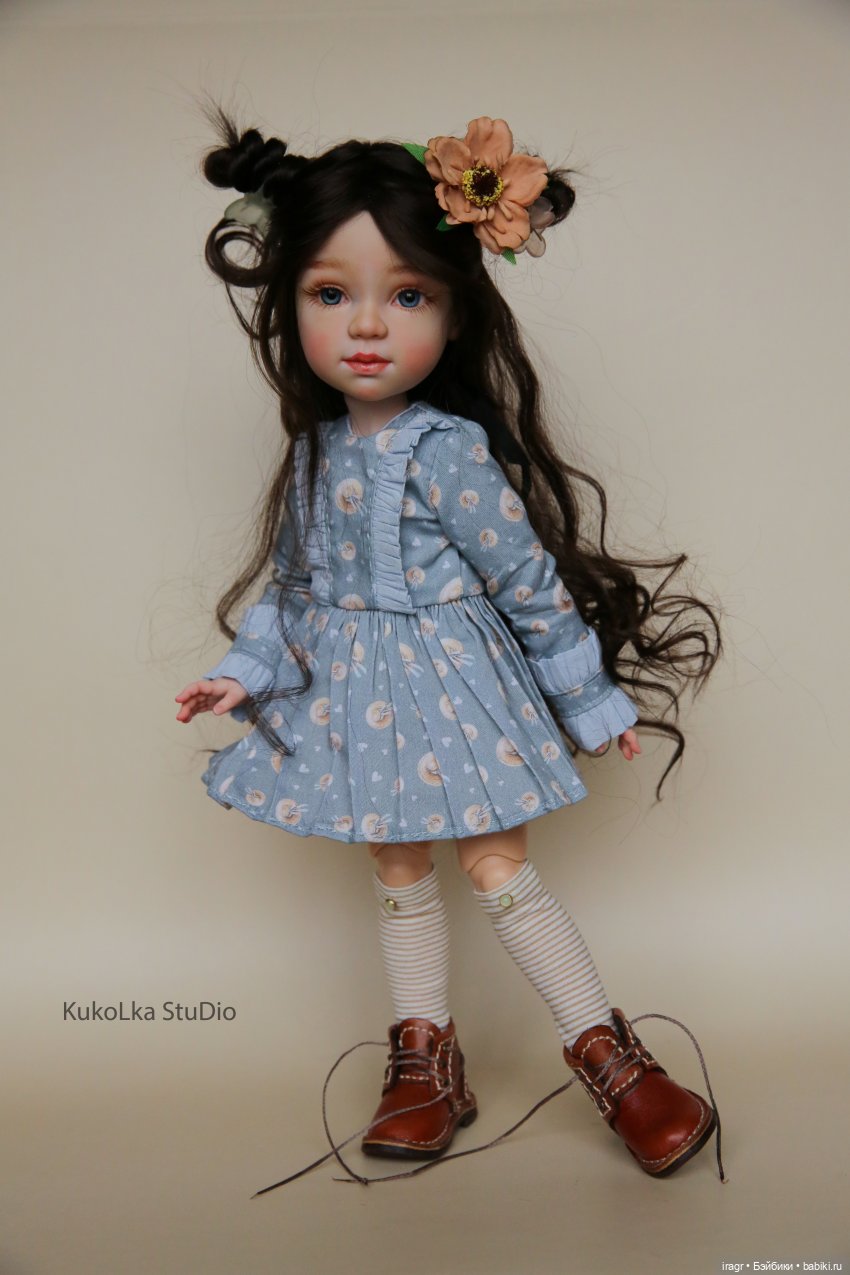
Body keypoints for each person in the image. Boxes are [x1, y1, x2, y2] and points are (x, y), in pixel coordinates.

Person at [175, 107, 725, 1185]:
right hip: (353, 692)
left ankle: (612, 1059)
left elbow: (525, 583)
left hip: (458, 691)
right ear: (290, 305)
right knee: (396, 866)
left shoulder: (450, 449)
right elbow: (295, 587)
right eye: (330, 293)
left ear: (454, 309)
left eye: (407, 296)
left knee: (497, 868)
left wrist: (592, 701)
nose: (366, 326)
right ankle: (426, 1065)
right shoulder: (315, 453)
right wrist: (242, 674)